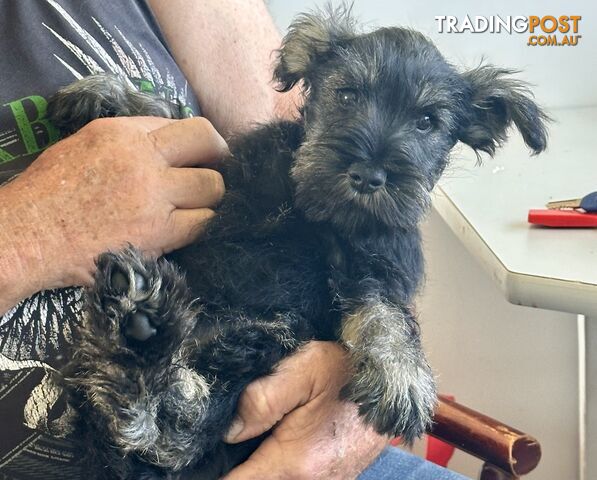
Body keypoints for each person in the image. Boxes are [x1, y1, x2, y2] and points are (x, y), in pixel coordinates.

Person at [0, 1, 470, 478]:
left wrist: (361, 382)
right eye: (349, 97)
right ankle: (156, 395)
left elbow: (280, 154)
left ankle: (160, 392)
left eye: (427, 123)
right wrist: (31, 230)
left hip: (282, 441)